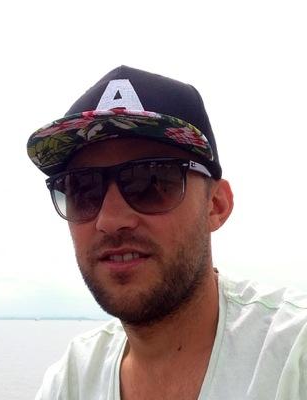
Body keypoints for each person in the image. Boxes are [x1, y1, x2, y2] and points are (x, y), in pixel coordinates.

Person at [27, 66, 307, 399]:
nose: (110, 219)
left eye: (152, 180)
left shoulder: (292, 357)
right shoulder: (72, 380)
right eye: (82, 189)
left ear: (216, 205)